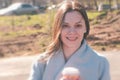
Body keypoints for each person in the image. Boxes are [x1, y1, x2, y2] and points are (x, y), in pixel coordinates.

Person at [28, 0, 111, 80]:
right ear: (58, 28)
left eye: (78, 25)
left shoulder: (100, 63)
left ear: (85, 27)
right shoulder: (41, 62)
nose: (72, 32)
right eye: (65, 25)